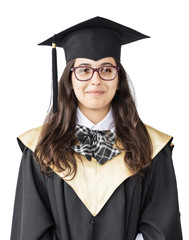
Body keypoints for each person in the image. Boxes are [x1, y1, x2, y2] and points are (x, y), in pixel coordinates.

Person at [10, 16, 182, 240]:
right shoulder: (40, 148)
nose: (95, 80)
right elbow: (31, 229)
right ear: (69, 79)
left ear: (118, 78)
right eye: (84, 70)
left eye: (106, 70)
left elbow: (161, 229)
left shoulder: (151, 147)